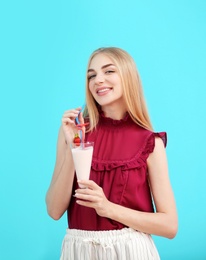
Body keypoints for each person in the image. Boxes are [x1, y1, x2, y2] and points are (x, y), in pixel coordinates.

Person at [45, 47, 178, 259]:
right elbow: (54, 210)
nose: (98, 80)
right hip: (78, 252)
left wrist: (107, 208)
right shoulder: (73, 130)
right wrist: (74, 147)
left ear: (128, 77)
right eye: (92, 75)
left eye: (108, 71)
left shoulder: (150, 142)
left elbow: (169, 225)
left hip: (131, 251)